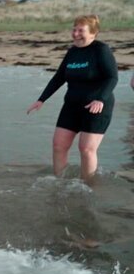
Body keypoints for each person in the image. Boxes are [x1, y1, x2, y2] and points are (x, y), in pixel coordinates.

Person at [27, 15, 118, 181]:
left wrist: (101, 99)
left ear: (93, 33)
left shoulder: (101, 50)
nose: (75, 33)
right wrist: (41, 99)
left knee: (86, 149)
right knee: (58, 145)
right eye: (74, 29)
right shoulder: (72, 52)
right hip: (71, 105)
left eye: (80, 30)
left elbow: (112, 77)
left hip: (96, 106)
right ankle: (60, 182)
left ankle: (88, 186)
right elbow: (59, 77)